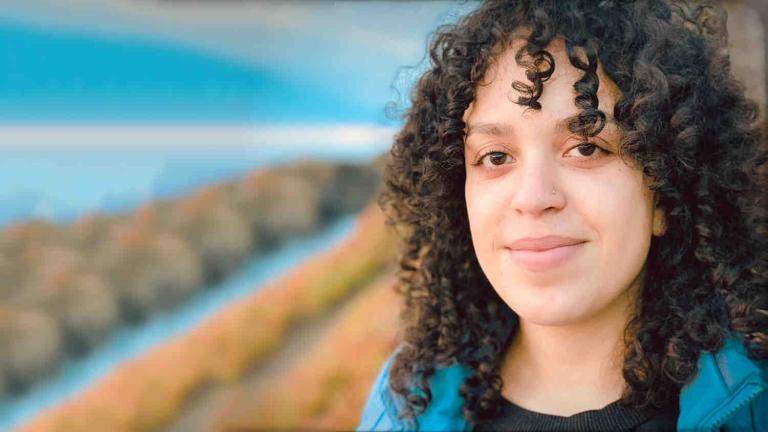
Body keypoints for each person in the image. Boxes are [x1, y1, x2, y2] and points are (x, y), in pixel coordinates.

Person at [357, 0, 768, 430]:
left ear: (665, 192)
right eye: (495, 156)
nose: (533, 198)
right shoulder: (404, 405)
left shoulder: (753, 404)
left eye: (586, 147)